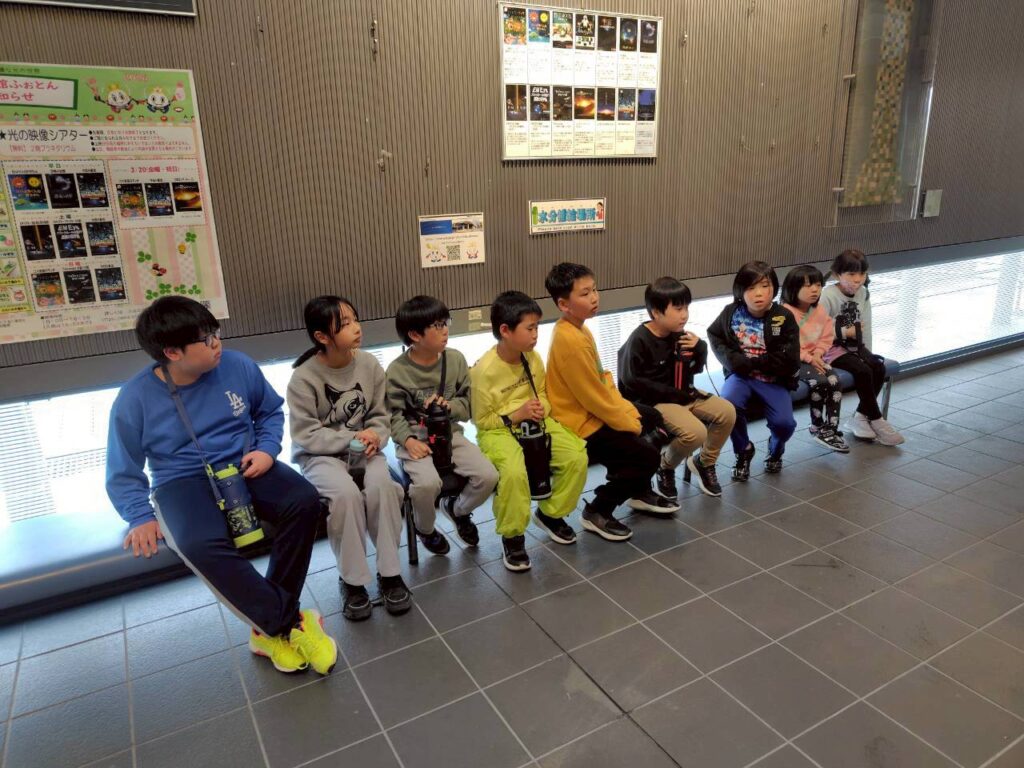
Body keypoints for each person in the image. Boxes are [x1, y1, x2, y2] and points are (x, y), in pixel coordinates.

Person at [106, 296, 336, 675]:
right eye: (207, 340)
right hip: (182, 480)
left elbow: (268, 411)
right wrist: (139, 516)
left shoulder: (237, 365)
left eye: (215, 332)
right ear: (172, 353)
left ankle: (268, 628)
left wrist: (266, 450)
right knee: (199, 544)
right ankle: (288, 623)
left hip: (245, 462)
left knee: (304, 500)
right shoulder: (134, 398)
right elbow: (122, 466)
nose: (218, 344)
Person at [287, 295, 411, 621]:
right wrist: (351, 438)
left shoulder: (369, 364)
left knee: (384, 488)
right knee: (345, 496)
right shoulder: (303, 378)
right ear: (322, 337)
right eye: (344, 324)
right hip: (321, 455)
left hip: (365, 450)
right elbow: (306, 434)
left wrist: (375, 436)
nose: (356, 328)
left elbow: (381, 416)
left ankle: (390, 574)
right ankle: (353, 581)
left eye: (355, 319)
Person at [545, 262, 679, 544]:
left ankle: (637, 489)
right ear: (563, 304)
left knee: (652, 418)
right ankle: (598, 510)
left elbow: (602, 379)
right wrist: (626, 421)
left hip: (592, 410)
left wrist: (626, 409)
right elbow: (593, 397)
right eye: (584, 294)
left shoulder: (579, 328)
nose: (594, 298)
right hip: (579, 423)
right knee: (647, 455)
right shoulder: (570, 340)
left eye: (594, 290)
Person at [470, 291, 589, 571]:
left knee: (576, 457)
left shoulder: (532, 358)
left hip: (535, 421)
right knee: (513, 473)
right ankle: (513, 536)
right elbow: (482, 421)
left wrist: (539, 409)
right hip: (498, 430)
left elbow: (544, 395)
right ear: (505, 330)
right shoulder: (483, 372)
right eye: (530, 328)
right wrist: (515, 415)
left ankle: (550, 514)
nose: (536, 335)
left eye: (537, 327)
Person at [386, 295, 498, 554]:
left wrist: (450, 408)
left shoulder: (455, 360)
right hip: (414, 439)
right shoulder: (397, 371)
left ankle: (458, 510)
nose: (445, 329)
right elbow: (392, 414)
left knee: (488, 475)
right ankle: (425, 529)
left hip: (449, 434)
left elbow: (467, 404)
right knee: (427, 485)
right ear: (415, 335)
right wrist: (408, 441)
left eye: (446, 322)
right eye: (437, 325)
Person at [618, 276, 736, 499]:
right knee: (696, 433)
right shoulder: (639, 340)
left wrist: (700, 348)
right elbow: (632, 382)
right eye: (678, 309)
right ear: (656, 312)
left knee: (727, 412)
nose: (685, 315)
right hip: (655, 402)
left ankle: (704, 462)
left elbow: (695, 369)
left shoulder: (679, 335)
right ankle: (666, 466)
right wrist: (674, 395)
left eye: (686, 308)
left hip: (682, 394)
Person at [708, 261, 800, 479]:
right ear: (740, 291)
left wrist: (752, 363)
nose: (758, 293)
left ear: (774, 288)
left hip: (773, 379)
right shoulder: (730, 312)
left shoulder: (783, 317)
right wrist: (734, 361)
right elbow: (715, 335)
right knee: (727, 408)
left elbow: (789, 358)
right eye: (751, 287)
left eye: (765, 286)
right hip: (740, 376)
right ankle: (743, 450)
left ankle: (775, 449)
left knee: (785, 425)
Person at [819, 249, 904, 446]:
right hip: (829, 348)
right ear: (837, 274)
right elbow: (818, 330)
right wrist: (844, 333)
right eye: (851, 274)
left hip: (854, 346)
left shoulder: (863, 293)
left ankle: (860, 416)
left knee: (877, 366)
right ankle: (877, 418)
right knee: (862, 370)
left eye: (862, 274)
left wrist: (868, 354)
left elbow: (867, 326)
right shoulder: (828, 295)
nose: (857, 279)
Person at [781, 265, 849, 452]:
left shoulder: (818, 309)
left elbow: (827, 336)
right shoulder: (784, 313)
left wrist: (818, 354)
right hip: (793, 361)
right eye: (807, 285)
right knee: (819, 381)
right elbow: (786, 346)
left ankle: (831, 429)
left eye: (818, 285)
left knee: (835, 381)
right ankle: (817, 426)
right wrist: (810, 359)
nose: (814, 290)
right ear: (793, 288)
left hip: (816, 357)